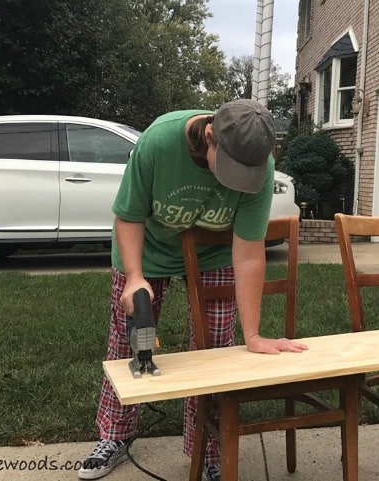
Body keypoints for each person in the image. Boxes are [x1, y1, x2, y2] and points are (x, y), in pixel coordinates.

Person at [78, 99, 308, 481]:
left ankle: (207, 448)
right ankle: (114, 436)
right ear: (209, 136)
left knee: (215, 350)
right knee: (127, 343)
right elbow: (129, 215)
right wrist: (134, 276)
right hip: (146, 248)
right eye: (230, 168)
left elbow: (249, 253)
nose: (235, 181)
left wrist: (251, 334)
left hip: (215, 254)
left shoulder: (260, 165)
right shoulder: (159, 142)